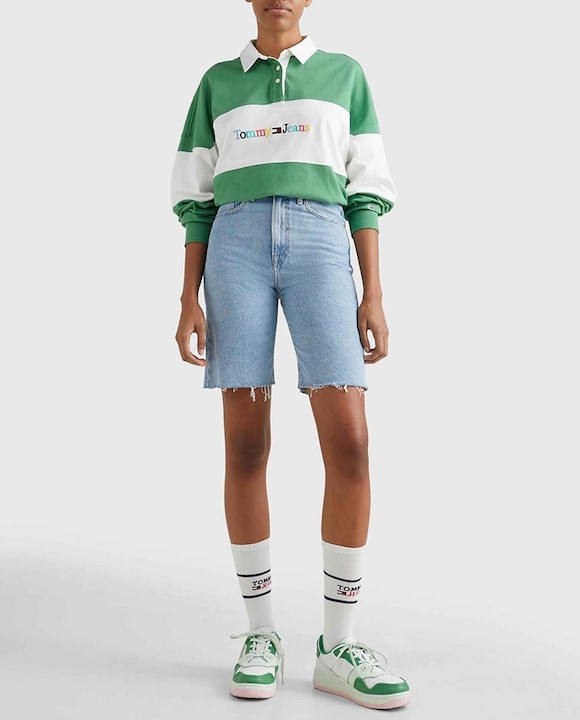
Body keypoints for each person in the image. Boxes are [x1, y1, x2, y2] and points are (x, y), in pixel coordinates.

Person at [170, 0, 410, 710]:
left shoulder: (344, 75)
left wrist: (373, 293)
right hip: (235, 248)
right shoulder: (217, 83)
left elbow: (365, 190)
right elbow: (196, 200)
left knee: (351, 443)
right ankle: (260, 634)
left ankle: (338, 644)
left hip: (321, 243)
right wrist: (188, 297)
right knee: (246, 445)